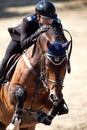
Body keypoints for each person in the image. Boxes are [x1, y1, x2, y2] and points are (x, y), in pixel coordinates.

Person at [0, 0, 67, 88]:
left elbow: (63, 43)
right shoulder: (28, 21)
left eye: (51, 18)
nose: (50, 21)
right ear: (38, 16)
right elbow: (23, 44)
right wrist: (38, 33)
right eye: (46, 19)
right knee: (5, 60)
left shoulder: (55, 22)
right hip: (20, 40)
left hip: (40, 44)